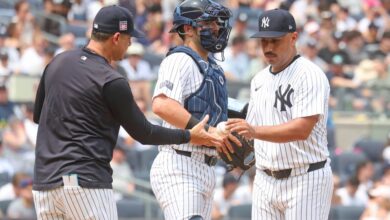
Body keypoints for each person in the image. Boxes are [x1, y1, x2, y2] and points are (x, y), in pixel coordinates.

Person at [32, 5, 225, 219]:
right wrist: (188, 135)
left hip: (44, 184)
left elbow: (38, 116)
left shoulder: (57, 62)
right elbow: (144, 133)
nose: (130, 43)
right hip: (86, 184)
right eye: (128, 38)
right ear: (116, 37)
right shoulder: (111, 79)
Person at [226, 9, 333, 220]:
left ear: (293, 38)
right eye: (264, 41)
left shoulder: (310, 75)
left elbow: (301, 129)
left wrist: (254, 131)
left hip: (306, 178)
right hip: (265, 180)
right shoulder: (258, 80)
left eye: (275, 40)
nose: (268, 47)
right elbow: (253, 129)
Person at [149, 0, 235, 219]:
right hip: (179, 163)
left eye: (217, 22)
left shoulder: (213, 66)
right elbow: (162, 104)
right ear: (187, 28)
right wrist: (206, 130)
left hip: (206, 167)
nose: (216, 27)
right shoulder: (180, 60)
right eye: (208, 22)